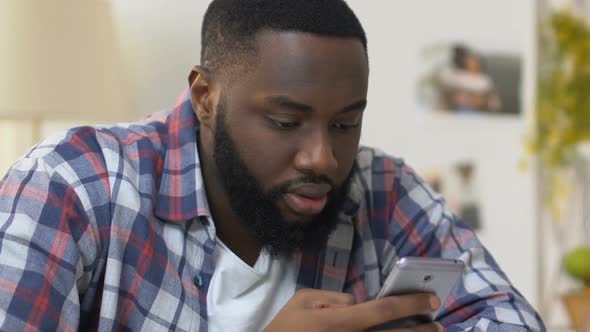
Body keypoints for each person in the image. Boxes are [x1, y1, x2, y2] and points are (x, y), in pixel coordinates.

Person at [0, 0, 545, 331]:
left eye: (344, 123)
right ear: (205, 96)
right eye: (286, 122)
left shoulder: (383, 190)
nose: (323, 158)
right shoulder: (72, 186)